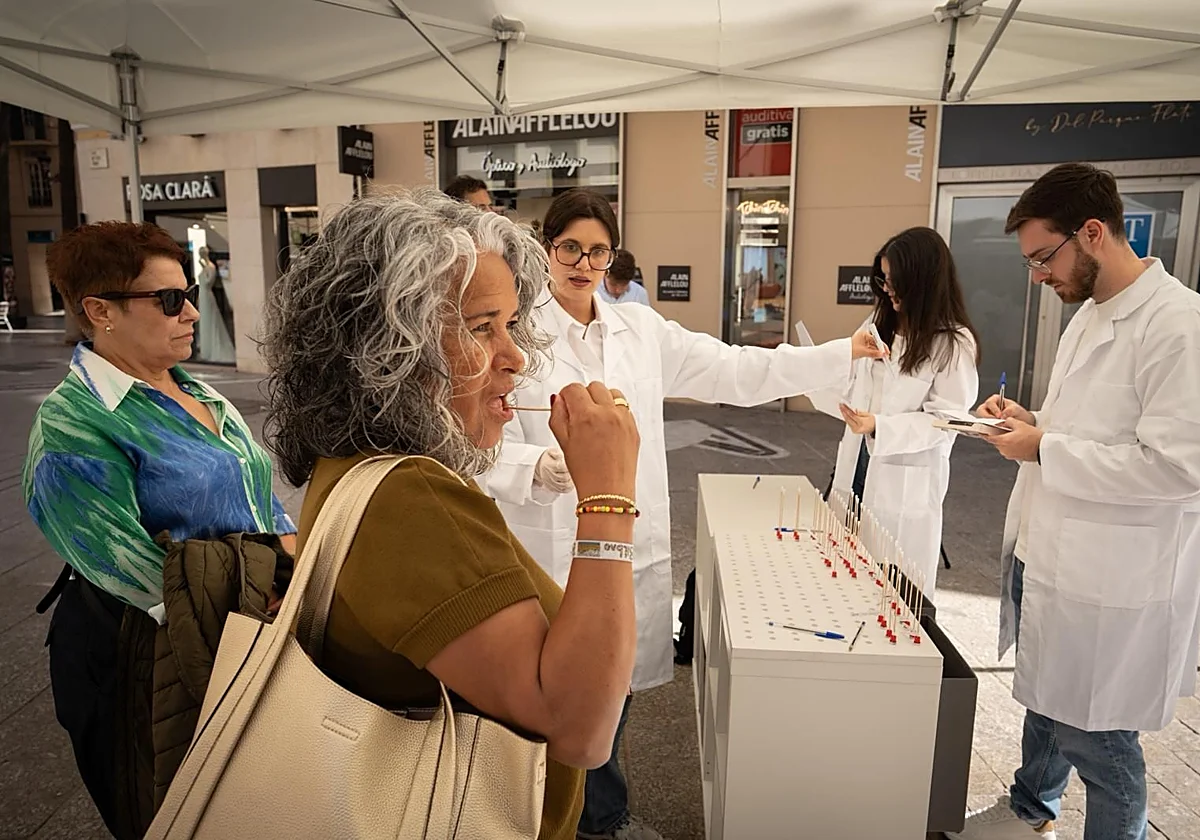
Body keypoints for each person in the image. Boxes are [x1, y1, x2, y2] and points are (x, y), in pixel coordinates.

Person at [479, 187, 887, 840]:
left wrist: (839, 354)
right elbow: (471, 437)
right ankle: (564, 820)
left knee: (613, 690)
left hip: (624, 542)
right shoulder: (516, 335)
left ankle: (599, 816)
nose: (583, 263)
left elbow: (738, 370)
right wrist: (532, 468)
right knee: (550, 698)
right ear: (546, 249)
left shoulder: (640, 332)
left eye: (598, 251)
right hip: (547, 544)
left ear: (612, 257)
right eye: (570, 248)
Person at [260, 188, 641, 840]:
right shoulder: (410, 497)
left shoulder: (359, 464)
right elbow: (581, 732)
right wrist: (608, 496)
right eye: (481, 325)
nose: (516, 356)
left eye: (512, 324)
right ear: (390, 348)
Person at [22, 220, 297, 835]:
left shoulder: (192, 388)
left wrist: (297, 573)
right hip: (141, 655)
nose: (193, 312)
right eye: (169, 300)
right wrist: (270, 598)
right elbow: (137, 574)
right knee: (165, 813)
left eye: (189, 292)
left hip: (243, 627)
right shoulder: (73, 428)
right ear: (100, 310)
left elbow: (260, 498)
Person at [951, 163, 1200, 840]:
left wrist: (1041, 449)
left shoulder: (1179, 326)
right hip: (1052, 550)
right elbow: (1085, 430)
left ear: (1092, 233)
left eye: (1042, 257)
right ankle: (1032, 807)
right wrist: (1032, 423)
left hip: (1113, 577)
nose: (1036, 276)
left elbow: (1179, 468)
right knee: (1047, 701)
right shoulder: (1090, 314)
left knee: (1100, 739)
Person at [811, 226, 980, 592]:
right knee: (843, 579)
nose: (887, 289)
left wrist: (880, 427)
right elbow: (851, 383)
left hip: (903, 482)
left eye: (895, 280)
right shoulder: (878, 325)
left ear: (923, 281)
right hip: (856, 468)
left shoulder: (952, 343)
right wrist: (815, 374)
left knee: (892, 595)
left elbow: (949, 421)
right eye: (883, 279)